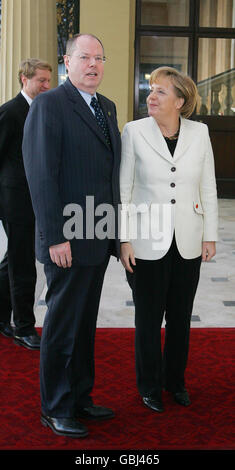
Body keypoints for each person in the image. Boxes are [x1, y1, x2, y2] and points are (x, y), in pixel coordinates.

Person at [23, 33, 121, 438]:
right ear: (67, 61)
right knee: (62, 327)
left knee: (84, 326)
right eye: (85, 57)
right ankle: (55, 407)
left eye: (99, 58)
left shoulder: (107, 107)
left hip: (97, 235)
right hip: (67, 240)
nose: (93, 65)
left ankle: (80, 397)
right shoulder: (49, 105)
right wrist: (55, 237)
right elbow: (41, 176)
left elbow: (107, 171)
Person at [120, 66, 218, 413]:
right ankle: (148, 386)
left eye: (161, 91)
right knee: (147, 318)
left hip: (188, 239)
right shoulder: (133, 131)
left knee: (180, 316)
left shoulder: (200, 133)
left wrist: (210, 234)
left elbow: (207, 184)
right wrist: (124, 239)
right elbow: (125, 189)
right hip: (146, 240)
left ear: (180, 100)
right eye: (151, 90)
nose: (152, 96)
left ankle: (175, 381)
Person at [0, 59, 52, 349]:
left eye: (48, 81)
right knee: (23, 264)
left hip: (35, 199)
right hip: (15, 200)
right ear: (24, 79)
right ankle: (23, 327)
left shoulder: (43, 110)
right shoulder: (9, 112)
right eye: (41, 81)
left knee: (12, 260)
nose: (46, 86)